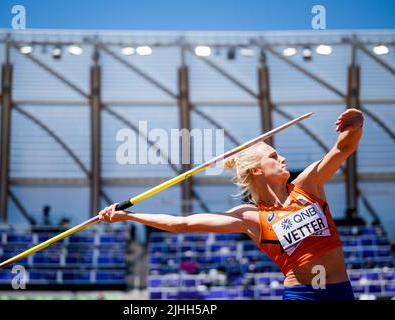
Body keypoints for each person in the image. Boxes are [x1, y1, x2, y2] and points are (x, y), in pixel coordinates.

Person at [99, 108, 364, 300]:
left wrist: (356, 125)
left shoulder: (308, 185)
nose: (282, 158)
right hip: (302, 295)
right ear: (257, 171)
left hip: (342, 291)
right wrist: (130, 217)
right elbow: (182, 224)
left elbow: (342, 149)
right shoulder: (250, 217)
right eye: (273, 156)